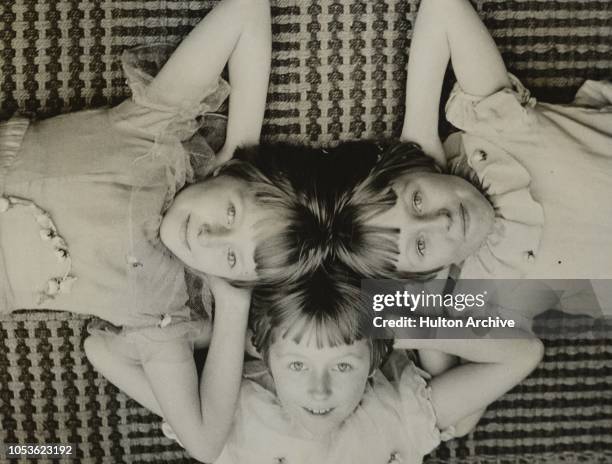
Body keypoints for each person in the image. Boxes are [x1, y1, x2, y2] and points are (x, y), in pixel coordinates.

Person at [0, 0, 299, 460]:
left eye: (232, 258)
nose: (209, 237)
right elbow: (247, 9)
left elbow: (204, 442)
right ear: (229, 178)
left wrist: (234, 305)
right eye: (232, 215)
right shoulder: (155, 129)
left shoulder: (160, 307)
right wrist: (242, 146)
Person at [350, 0, 612, 321]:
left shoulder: (495, 130)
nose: (441, 220)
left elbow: (443, 8)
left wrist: (420, 134)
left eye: (417, 200)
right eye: (420, 246)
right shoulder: (483, 292)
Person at [146, 265, 543, 464]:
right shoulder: (395, 422)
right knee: (464, 420)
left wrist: (395, 330)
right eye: (299, 366)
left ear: (371, 364)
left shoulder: (227, 432)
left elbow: (107, 351)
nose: (320, 391)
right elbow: (523, 354)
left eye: (342, 366)